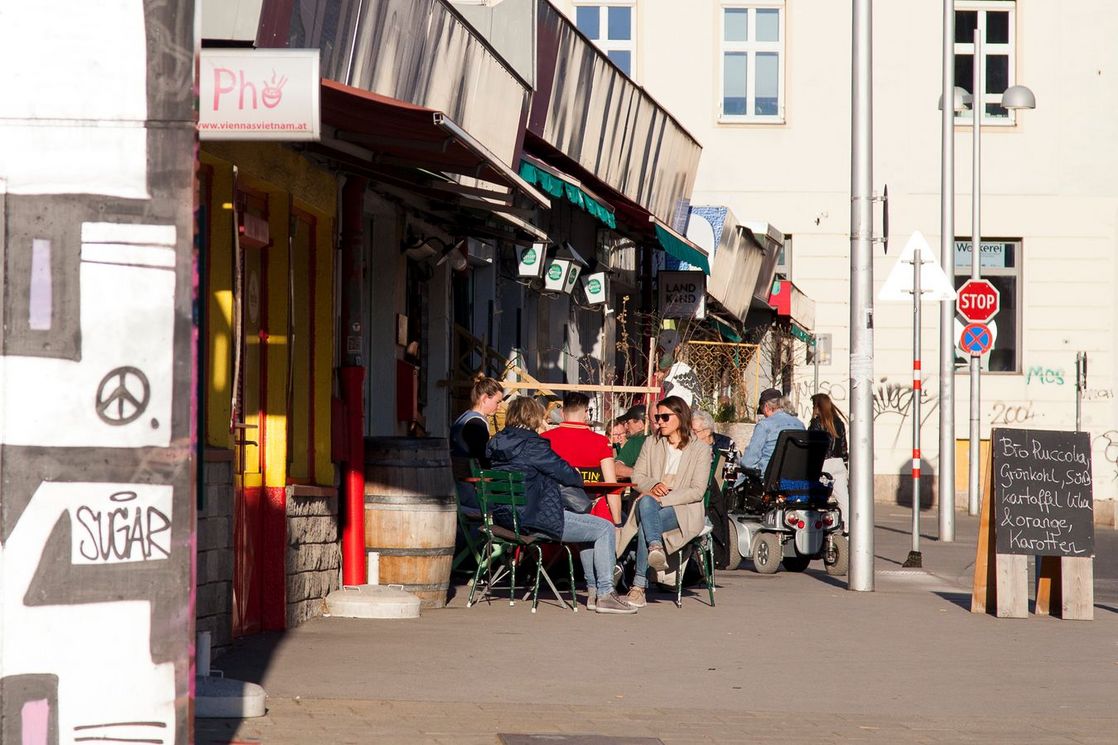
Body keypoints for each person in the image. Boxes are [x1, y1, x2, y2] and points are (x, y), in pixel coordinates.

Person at [486, 397, 635, 615]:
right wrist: (574, 473)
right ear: (533, 417)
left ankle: (593, 593)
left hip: (505, 518)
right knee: (603, 527)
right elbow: (567, 475)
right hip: (535, 517)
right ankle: (604, 593)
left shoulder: (496, 443)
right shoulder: (533, 445)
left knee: (589, 529)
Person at [618, 396, 712, 607]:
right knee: (647, 508)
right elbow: (638, 476)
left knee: (646, 515)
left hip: (684, 510)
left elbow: (697, 491)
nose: (659, 421)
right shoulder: (652, 443)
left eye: (664, 417)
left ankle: (638, 588)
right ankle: (654, 548)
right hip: (652, 504)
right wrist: (652, 485)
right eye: (657, 417)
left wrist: (662, 497)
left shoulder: (700, 450)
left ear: (680, 416)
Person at [542, 392, 621, 523]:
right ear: (585, 413)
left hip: (554, 511)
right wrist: (618, 524)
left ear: (562, 413)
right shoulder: (601, 442)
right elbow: (611, 485)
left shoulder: (545, 439)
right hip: (591, 511)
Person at [449, 376, 503, 509]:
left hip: (457, 484)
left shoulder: (464, 417)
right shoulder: (477, 424)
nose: (500, 406)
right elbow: (482, 459)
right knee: (504, 504)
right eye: (497, 402)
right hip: (468, 490)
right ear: (485, 398)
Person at [739, 388, 806, 475]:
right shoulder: (800, 424)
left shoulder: (764, 425)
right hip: (796, 482)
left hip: (770, 483)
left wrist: (738, 460)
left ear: (766, 407)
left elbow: (748, 462)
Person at [810, 393, 850, 533]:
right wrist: (845, 465)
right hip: (838, 462)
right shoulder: (839, 423)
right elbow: (844, 447)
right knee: (843, 498)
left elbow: (812, 447)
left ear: (817, 407)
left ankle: (821, 528)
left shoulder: (816, 423)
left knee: (819, 498)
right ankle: (847, 529)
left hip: (823, 464)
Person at [613, 405, 647, 479]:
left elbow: (616, 469)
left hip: (642, 488)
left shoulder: (635, 441)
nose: (626, 427)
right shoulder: (661, 438)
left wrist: (641, 475)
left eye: (628, 423)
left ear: (640, 423)